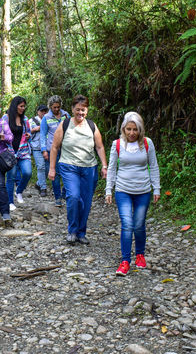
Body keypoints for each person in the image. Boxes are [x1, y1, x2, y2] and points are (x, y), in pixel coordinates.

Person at [105, 112, 161, 276]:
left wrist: (156, 187)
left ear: (140, 129)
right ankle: (125, 261)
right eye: (128, 129)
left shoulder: (147, 143)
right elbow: (111, 168)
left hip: (143, 191)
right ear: (123, 129)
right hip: (123, 190)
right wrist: (109, 189)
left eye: (135, 129)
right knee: (127, 225)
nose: (131, 133)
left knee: (138, 224)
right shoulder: (117, 144)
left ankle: (140, 254)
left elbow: (154, 166)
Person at [48, 95, 108, 245]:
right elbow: (55, 147)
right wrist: (52, 168)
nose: (80, 113)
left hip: (89, 168)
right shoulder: (65, 124)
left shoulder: (92, 126)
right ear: (72, 109)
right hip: (69, 166)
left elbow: (99, 147)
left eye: (83, 110)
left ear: (87, 110)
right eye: (77, 110)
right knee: (73, 197)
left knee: (85, 202)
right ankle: (72, 230)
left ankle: (81, 233)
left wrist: (104, 166)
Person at [3, 96, 32, 211]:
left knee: (27, 173)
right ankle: (10, 202)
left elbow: (29, 134)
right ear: (15, 106)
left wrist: (29, 136)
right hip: (10, 152)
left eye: (24, 106)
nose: (23, 108)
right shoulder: (6, 118)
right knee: (11, 176)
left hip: (23, 151)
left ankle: (19, 191)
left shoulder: (25, 119)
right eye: (21, 106)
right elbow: (0, 133)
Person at [40, 95, 70, 207]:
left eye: (58, 107)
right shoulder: (46, 118)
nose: (56, 109)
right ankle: (57, 198)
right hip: (52, 149)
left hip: (66, 148)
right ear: (50, 107)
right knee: (55, 174)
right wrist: (43, 150)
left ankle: (64, 192)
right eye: (54, 107)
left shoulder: (66, 115)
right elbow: (43, 135)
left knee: (67, 171)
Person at [30, 104, 49, 197]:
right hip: (36, 147)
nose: (44, 112)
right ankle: (43, 188)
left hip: (48, 147)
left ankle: (38, 183)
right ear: (38, 111)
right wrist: (34, 129)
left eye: (45, 111)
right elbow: (26, 133)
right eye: (42, 111)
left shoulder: (50, 119)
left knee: (48, 168)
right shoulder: (32, 121)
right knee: (41, 167)